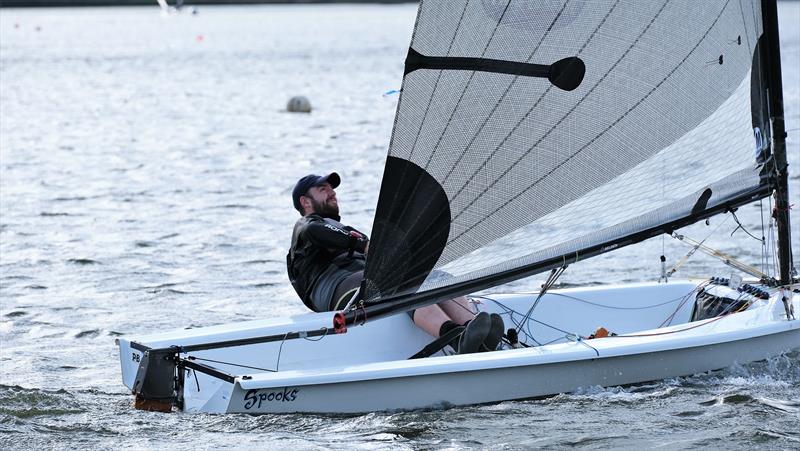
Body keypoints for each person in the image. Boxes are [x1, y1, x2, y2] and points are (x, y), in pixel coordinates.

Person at [286, 172, 504, 354]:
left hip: (364, 282)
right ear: (305, 201)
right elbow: (320, 232)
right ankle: (455, 338)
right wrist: (366, 245)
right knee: (396, 279)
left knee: (436, 276)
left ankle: (474, 331)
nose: (332, 192)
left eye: (331, 188)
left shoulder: (337, 228)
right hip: (337, 292)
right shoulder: (306, 226)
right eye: (323, 189)